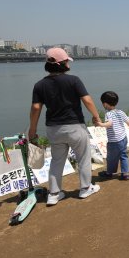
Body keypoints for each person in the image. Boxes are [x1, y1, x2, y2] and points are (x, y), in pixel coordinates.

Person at [29, 47, 101, 206]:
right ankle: (85, 188)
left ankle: (54, 194)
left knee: (56, 161)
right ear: (62, 63)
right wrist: (96, 117)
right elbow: (87, 101)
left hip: (54, 129)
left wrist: (32, 130)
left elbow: (35, 108)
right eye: (67, 60)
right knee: (83, 158)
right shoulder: (74, 80)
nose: (69, 63)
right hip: (75, 126)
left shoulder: (40, 85)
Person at [96, 91, 129, 181]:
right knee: (123, 155)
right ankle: (125, 174)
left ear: (105, 104)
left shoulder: (108, 114)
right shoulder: (121, 112)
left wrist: (100, 124)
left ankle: (109, 173)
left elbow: (109, 124)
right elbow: (128, 122)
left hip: (114, 141)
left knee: (111, 158)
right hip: (123, 139)